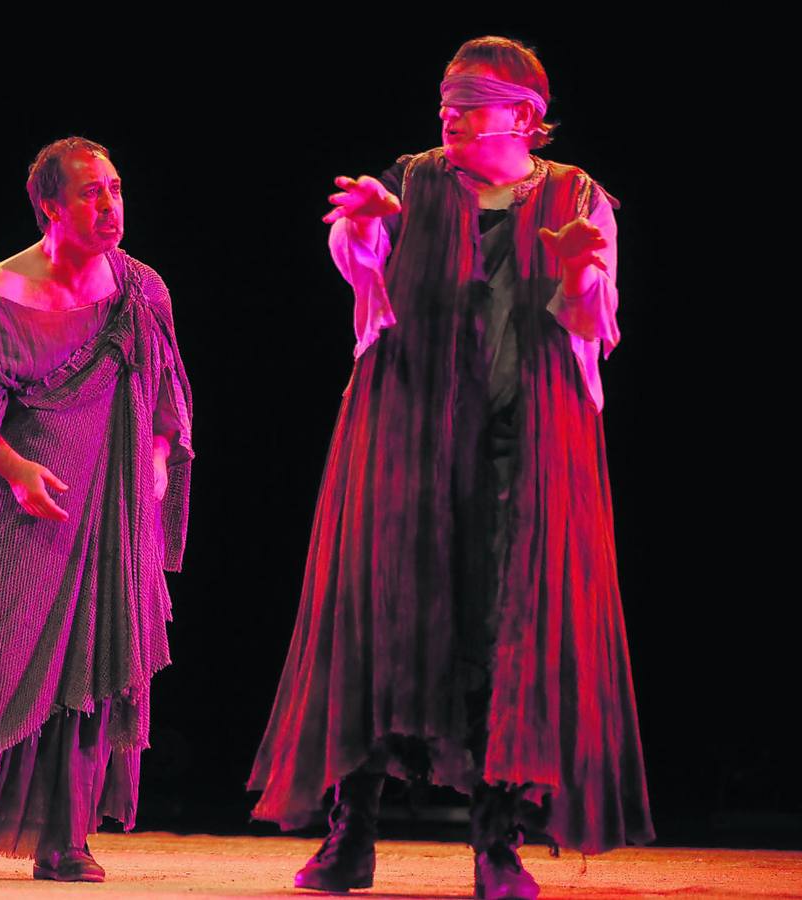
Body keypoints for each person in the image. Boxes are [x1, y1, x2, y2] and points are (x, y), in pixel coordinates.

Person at [245, 37, 651, 899]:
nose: (451, 111)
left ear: (525, 116)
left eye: (472, 98)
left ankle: (494, 844)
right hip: (408, 434)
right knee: (382, 619)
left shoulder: (576, 196)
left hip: (526, 442)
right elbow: (365, 273)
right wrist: (361, 226)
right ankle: (349, 837)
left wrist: (582, 267)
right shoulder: (412, 181)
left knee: (506, 630)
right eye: (446, 96)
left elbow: (592, 326)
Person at [0, 136, 194, 882]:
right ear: (50, 206)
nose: (110, 206)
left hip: (100, 515)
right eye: (91, 192)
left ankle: (65, 837)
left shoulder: (140, 290)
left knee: (86, 663)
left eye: (116, 189)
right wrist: (18, 471)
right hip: (6, 509)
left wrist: (153, 468)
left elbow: (166, 397)